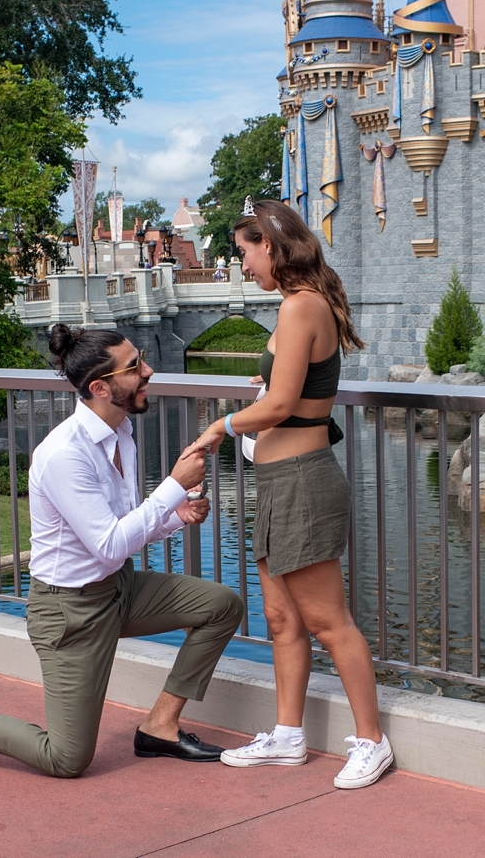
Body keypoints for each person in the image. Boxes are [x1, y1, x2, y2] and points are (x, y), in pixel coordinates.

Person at [0, 326, 244, 777]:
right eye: (135, 367)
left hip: (117, 589)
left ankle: (160, 726)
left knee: (221, 606)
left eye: (141, 358)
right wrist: (171, 487)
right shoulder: (64, 455)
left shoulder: (121, 431)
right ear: (100, 387)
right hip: (69, 613)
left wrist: (174, 515)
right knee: (67, 759)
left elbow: (117, 534)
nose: (149, 371)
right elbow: (108, 544)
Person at [195, 199, 391, 790]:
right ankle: (287, 737)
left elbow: (281, 408)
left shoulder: (301, 306)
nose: (243, 264)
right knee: (282, 620)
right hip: (279, 482)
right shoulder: (296, 307)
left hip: (303, 480)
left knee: (330, 623)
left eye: (245, 252)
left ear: (272, 247)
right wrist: (269, 376)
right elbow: (289, 388)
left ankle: (371, 741)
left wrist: (220, 427)